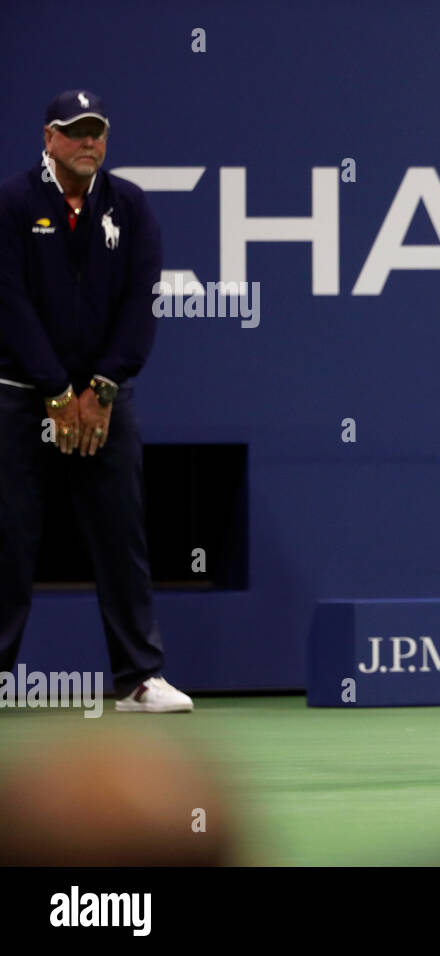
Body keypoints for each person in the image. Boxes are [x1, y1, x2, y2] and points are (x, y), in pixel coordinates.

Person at [0, 90, 192, 713]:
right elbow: (9, 304)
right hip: (22, 399)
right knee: (10, 539)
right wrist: (56, 390)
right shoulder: (12, 202)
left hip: (105, 400)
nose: (89, 143)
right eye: (75, 132)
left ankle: (141, 677)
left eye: (97, 132)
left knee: (121, 537)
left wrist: (102, 389)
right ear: (49, 138)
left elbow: (140, 303)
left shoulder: (129, 206)